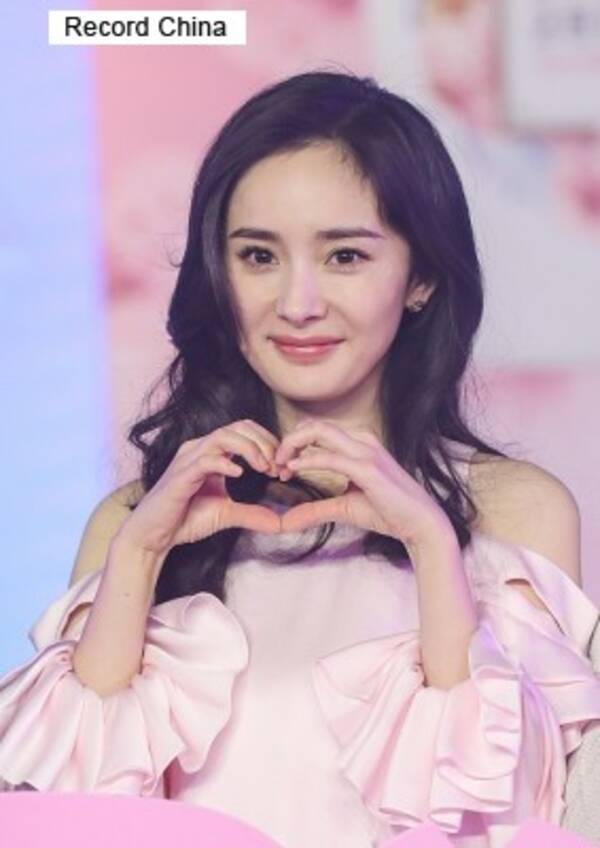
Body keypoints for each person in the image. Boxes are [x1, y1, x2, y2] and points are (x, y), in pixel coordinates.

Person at [1, 70, 599, 848]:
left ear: (420, 276)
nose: (298, 304)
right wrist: (140, 554)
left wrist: (431, 544)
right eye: (258, 256)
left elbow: (517, 809)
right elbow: (69, 814)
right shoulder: (133, 521)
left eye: (345, 256)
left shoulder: (514, 510)